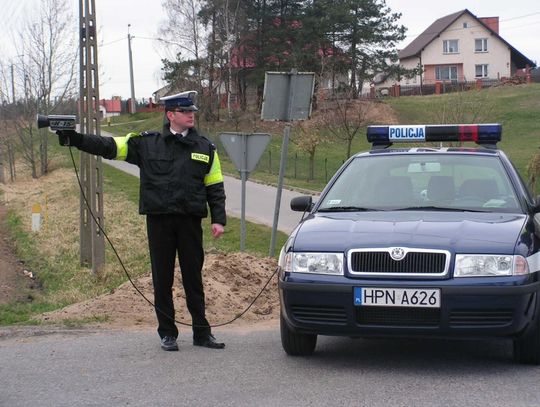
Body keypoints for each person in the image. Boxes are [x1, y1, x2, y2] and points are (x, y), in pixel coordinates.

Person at [56, 91, 227, 351]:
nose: (191, 115)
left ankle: (202, 333)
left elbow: (215, 186)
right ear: (171, 115)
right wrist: (75, 139)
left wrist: (219, 219)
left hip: (190, 222)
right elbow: (109, 146)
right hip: (159, 222)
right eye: (185, 111)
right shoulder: (147, 143)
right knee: (162, 279)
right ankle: (167, 333)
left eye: (192, 111)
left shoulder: (205, 147)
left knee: (194, 279)